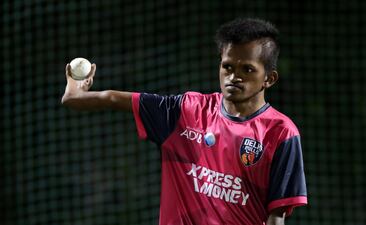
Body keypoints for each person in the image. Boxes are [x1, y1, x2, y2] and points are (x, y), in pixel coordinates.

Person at [62, 18, 307, 225]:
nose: (234, 77)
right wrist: (76, 93)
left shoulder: (281, 133)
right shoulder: (186, 110)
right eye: (228, 67)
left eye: (248, 70)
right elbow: (114, 99)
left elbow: (277, 216)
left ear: (269, 78)